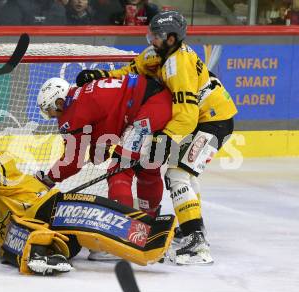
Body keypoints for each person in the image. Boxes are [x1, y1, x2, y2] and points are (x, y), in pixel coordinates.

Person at [75, 10, 238, 265]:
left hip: (214, 121)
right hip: (200, 120)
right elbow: (131, 71)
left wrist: (165, 139)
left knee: (178, 174)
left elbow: (187, 114)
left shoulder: (178, 65)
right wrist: (102, 77)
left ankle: (197, 243)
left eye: (158, 35)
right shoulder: (156, 54)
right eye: (151, 33)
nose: (152, 39)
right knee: (183, 173)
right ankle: (191, 228)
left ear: (172, 39)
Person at [0, 151, 175, 275]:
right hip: (44, 239)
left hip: (49, 208)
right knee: (11, 243)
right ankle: (45, 254)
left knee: (99, 216)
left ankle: (153, 237)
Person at [35, 75, 173, 260]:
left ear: (60, 101)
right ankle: (149, 226)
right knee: (147, 169)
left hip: (145, 111)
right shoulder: (82, 94)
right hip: (160, 102)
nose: (52, 116)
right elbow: (108, 115)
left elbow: (72, 161)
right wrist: (99, 148)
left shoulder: (71, 114)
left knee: (119, 172)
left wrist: (47, 179)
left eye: (51, 110)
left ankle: (122, 239)